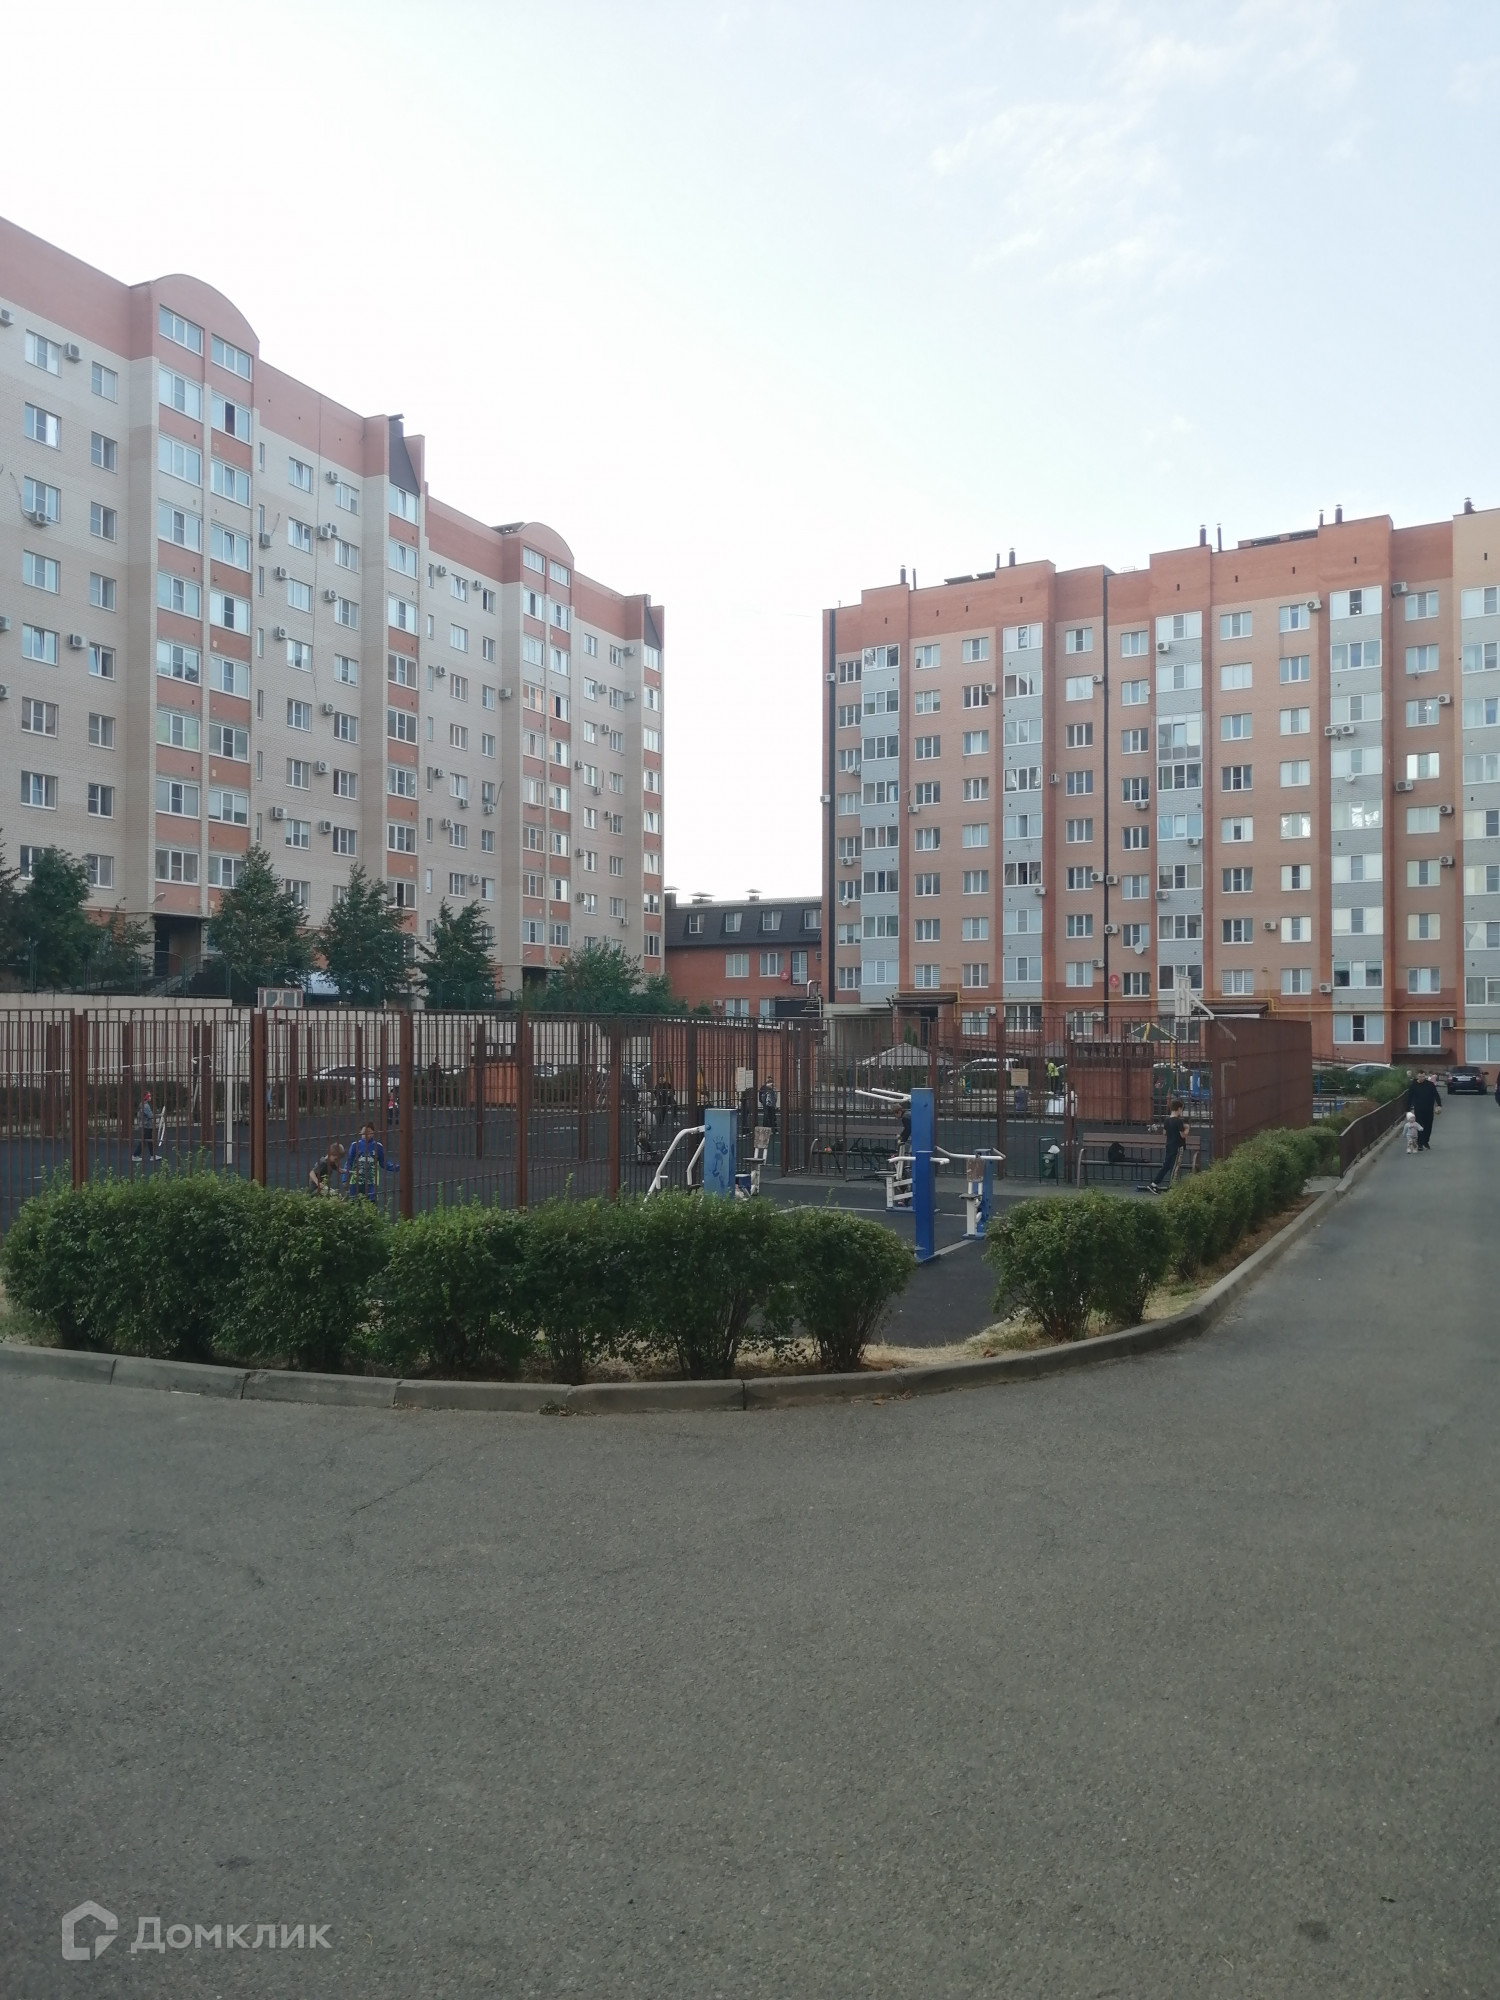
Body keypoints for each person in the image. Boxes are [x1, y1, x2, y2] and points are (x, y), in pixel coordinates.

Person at [344, 1120, 394, 1201]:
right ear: (360, 1132)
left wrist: (397, 1167)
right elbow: (349, 1163)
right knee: (353, 1202)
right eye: (364, 1132)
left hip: (372, 1182)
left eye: (369, 1132)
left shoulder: (378, 1146)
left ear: (373, 1132)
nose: (366, 1134)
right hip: (355, 1181)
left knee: (371, 1203)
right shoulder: (355, 1145)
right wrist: (345, 1178)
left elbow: (383, 1163)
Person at [1145, 1098, 1188, 1192]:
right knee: (1175, 1167)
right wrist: (1187, 1129)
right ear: (1179, 1108)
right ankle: (1173, 1187)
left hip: (1169, 1146)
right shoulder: (1178, 1121)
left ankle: (1154, 1184)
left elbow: (1164, 1133)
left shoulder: (1167, 1120)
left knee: (1166, 1166)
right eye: (1181, 1109)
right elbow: (1182, 1135)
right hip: (1177, 1147)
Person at [1408, 1071, 1440, 1152]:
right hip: (1418, 1109)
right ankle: (1420, 1144)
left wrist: (1439, 1105)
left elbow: (1436, 1094)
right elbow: (1409, 1097)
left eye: (1422, 1076)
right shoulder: (1413, 1086)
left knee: (1428, 1126)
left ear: (1425, 1076)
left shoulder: (1430, 1085)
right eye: (1419, 1076)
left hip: (1429, 1109)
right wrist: (1407, 1109)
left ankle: (1426, 1141)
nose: (1421, 1078)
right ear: (1417, 1076)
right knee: (1419, 1126)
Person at [133, 1091, 156, 1162]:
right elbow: (150, 1116)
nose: (151, 1097)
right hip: (146, 1126)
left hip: (145, 1126)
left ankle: (152, 1156)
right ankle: (135, 1155)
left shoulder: (143, 1105)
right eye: (149, 1096)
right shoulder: (145, 1106)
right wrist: (159, 1115)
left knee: (149, 1141)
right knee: (144, 1142)